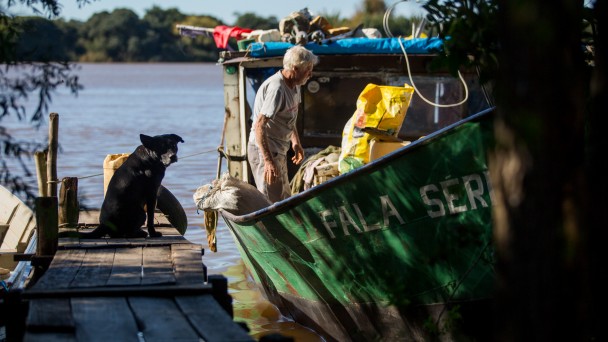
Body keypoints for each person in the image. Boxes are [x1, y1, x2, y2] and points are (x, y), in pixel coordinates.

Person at [247, 45, 319, 203]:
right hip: (264, 150)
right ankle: (269, 228)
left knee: (284, 197)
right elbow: (259, 125)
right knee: (271, 201)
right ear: (295, 68)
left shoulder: (295, 85)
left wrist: (296, 143)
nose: (310, 74)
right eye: (308, 69)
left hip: (279, 149)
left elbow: (289, 117)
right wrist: (267, 161)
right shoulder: (277, 88)